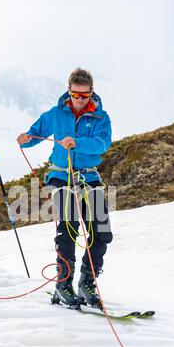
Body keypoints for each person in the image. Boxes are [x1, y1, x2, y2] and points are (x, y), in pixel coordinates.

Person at [17, 67, 113, 307]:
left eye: (85, 95)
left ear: (92, 92)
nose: (80, 100)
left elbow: (103, 144)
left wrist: (77, 143)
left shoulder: (102, 117)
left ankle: (87, 283)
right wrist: (26, 139)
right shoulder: (55, 114)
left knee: (102, 232)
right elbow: (35, 133)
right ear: (68, 91)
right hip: (60, 177)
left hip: (89, 178)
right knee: (68, 229)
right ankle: (63, 285)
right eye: (75, 95)